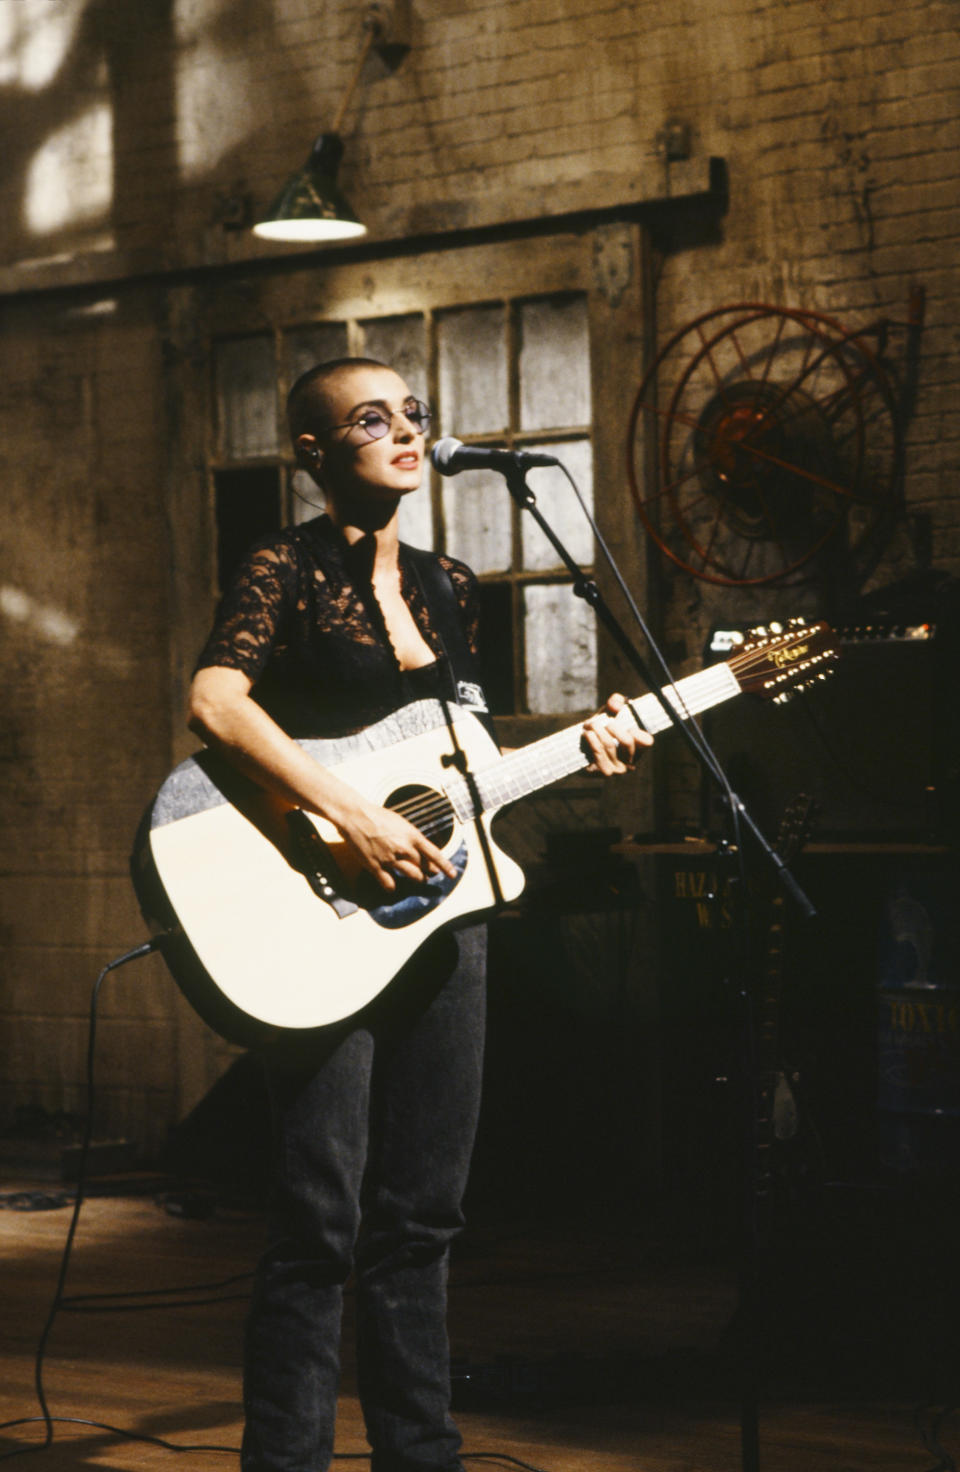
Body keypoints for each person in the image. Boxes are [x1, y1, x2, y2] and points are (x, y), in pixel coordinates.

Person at [187, 357, 652, 1472]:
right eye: (369, 418)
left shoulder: (449, 580)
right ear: (313, 449)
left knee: (425, 1215)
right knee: (317, 1219)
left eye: (415, 414)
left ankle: (421, 1453)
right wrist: (349, 814)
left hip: (447, 913)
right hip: (321, 905)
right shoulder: (283, 566)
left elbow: (461, 751)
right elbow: (214, 699)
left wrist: (593, 739)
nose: (404, 430)